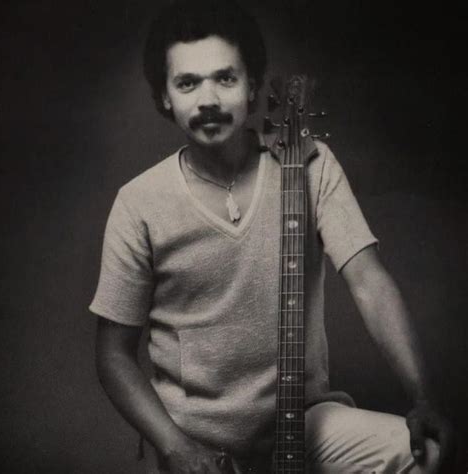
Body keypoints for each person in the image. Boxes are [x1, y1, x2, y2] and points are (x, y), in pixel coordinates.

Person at [90, 1, 453, 472]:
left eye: (225, 78)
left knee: (423, 454)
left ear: (253, 85)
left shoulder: (310, 163)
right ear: (164, 97)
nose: (208, 100)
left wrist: (422, 396)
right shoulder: (138, 202)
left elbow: (369, 282)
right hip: (196, 444)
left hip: (302, 423)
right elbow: (113, 355)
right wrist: (176, 447)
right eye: (187, 83)